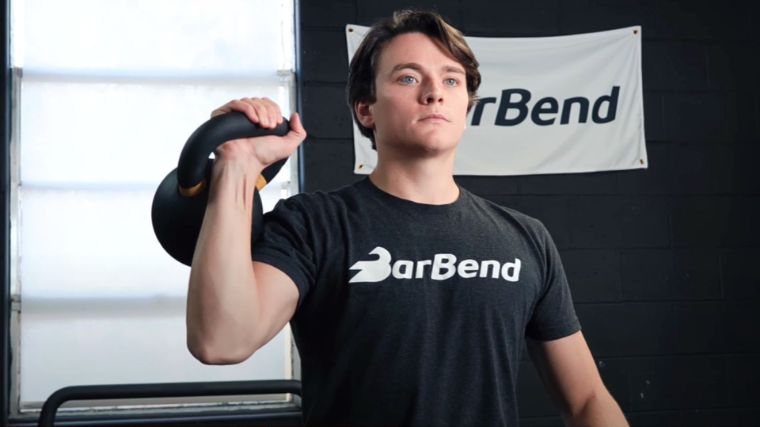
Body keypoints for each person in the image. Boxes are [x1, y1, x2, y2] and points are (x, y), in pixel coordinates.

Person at [186, 10, 629, 427]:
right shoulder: (313, 223)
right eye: (409, 76)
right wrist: (237, 168)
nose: (434, 92)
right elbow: (221, 341)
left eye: (451, 80)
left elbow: (587, 397)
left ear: (467, 108)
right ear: (366, 109)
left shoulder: (525, 238)